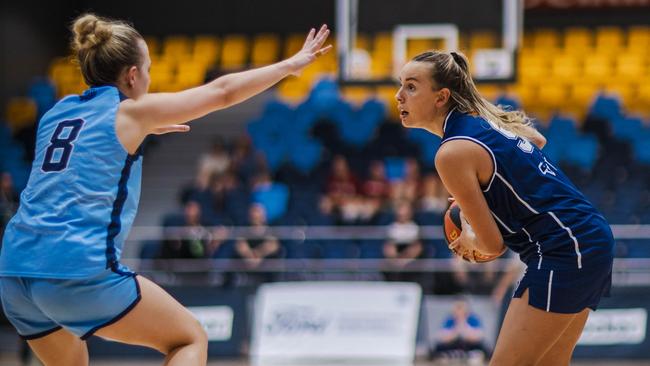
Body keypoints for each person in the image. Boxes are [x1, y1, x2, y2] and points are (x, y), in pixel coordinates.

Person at [0, 13, 331, 365]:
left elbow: (83, 157)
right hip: (74, 271)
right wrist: (291, 65)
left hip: (14, 273)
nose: (149, 77)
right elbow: (222, 91)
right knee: (189, 339)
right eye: (148, 69)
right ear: (132, 76)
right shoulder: (130, 112)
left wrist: (143, 129)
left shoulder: (57, 113)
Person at [395, 50, 614, 366]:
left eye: (411, 86)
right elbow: (536, 140)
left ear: (441, 96)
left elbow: (492, 245)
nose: (399, 95)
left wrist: (470, 239)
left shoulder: (452, 153)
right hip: (588, 238)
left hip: (565, 248)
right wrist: (487, 193)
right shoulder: (479, 122)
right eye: (401, 85)